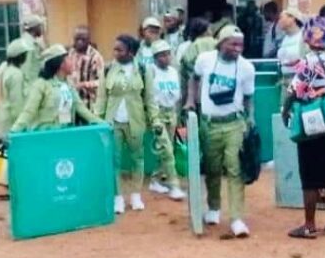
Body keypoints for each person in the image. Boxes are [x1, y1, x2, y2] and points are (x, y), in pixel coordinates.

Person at [185, 25, 256, 239]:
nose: (237, 48)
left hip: (234, 123)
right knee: (212, 168)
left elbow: (249, 97)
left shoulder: (246, 67)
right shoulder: (205, 59)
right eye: (233, 44)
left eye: (240, 45)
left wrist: (250, 118)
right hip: (209, 124)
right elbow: (194, 78)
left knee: (235, 169)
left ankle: (236, 219)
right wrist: (190, 100)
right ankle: (213, 207)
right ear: (221, 43)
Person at [282, 17, 325, 239]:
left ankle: (309, 225)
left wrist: (286, 109)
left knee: (309, 174)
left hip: (310, 121)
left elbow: (294, 90)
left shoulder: (308, 61)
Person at [97, 35, 158, 214]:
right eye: (114, 49)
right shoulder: (108, 69)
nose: (115, 53)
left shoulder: (143, 69)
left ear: (131, 52)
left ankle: (136, 195)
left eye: (120, 50)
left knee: (137, 158)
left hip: (135, 120)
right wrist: (98, 121)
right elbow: (101, 98)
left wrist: (154, 119)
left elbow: (150, 98)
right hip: (112, 122)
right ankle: (118, 198)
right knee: (114, 160)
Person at [12, 45, 102, 132]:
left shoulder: (68, 85)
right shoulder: (41, 85)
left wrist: (102, 124)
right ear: (61, 63)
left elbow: (82, 109)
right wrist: (14, 131)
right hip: (45, 135)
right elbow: (29, 112)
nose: (72, 62)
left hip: (64, 133)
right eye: (69, 59)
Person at [146, 40, 186, 201]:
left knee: (165, 148)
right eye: (162, 55)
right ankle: (174, 185)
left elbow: (177, 94)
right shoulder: (151, 71)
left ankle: (155, 179)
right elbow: (149, 97)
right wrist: (153, 117)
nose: (166, 57)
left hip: (172, 112)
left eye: (168, 54)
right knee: (167, 150)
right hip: (158, 113)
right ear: (155, 57)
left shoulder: (173, 71)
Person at [0, 39, 30, 140]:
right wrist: (22, 124)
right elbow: (17, 104)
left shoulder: (3, 67)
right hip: (11, 121)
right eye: (24, 54)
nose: (26, 57)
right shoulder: (16, 75)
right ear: (20, 56)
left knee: (1, 151)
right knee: (13, 152)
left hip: (0, 114)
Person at [68, 25, 105, 109]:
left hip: (89, 103)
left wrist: (83, 85)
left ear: (89, 40)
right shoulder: (70, 53)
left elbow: (101, 82)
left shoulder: (95, 57)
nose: (79, 42)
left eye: (83, 39)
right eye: (77, 39)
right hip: (72, 103)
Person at [277, 8, 307, 102]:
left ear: (292, 19)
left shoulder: (304, 36)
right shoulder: (284, 39)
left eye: (282, 18)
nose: (279, 21)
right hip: (285, 83)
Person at [19, 14, 47, 84]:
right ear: (35, 28)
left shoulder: (32, 43)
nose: (42, 29)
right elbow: (27, 69)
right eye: (40, 26)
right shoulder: (28, 44)